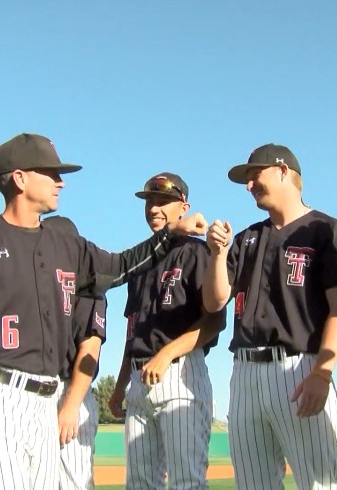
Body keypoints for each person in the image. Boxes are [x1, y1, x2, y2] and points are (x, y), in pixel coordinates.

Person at [0, 133, 206, 490]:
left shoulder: (65, 243)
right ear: (20, 178)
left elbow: (120, 266)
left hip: (46, 400)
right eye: (50, 173)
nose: (60, 181)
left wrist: (170, 235)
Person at [203, 144, 337, 489]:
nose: (249, 185)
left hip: (298, 368)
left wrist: (322, 372)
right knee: (253, 484)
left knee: (319, 483)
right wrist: (217, 254)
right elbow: (215, 303)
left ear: (283, 171)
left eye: (255, 175)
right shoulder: (245, 239)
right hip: (244, 373)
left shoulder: (325, 230)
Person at [108, 173, 225, 489]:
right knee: (139, 483)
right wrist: (120, 385)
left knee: (186, 481)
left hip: (180, 373)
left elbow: (214, 321)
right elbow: (132, 333)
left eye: (163, 201)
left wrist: (167, 353)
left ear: (183, 207)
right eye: (149, 202)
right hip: (138, 378)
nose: (153, 208)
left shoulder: (196, 252)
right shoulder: (142, 261)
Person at [44, 215, 107, 490]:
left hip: (69, 390)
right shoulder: (37, 285)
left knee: (73, 482)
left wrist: (70, 406)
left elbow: (90, 346)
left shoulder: (88, 286)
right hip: (34, 392)